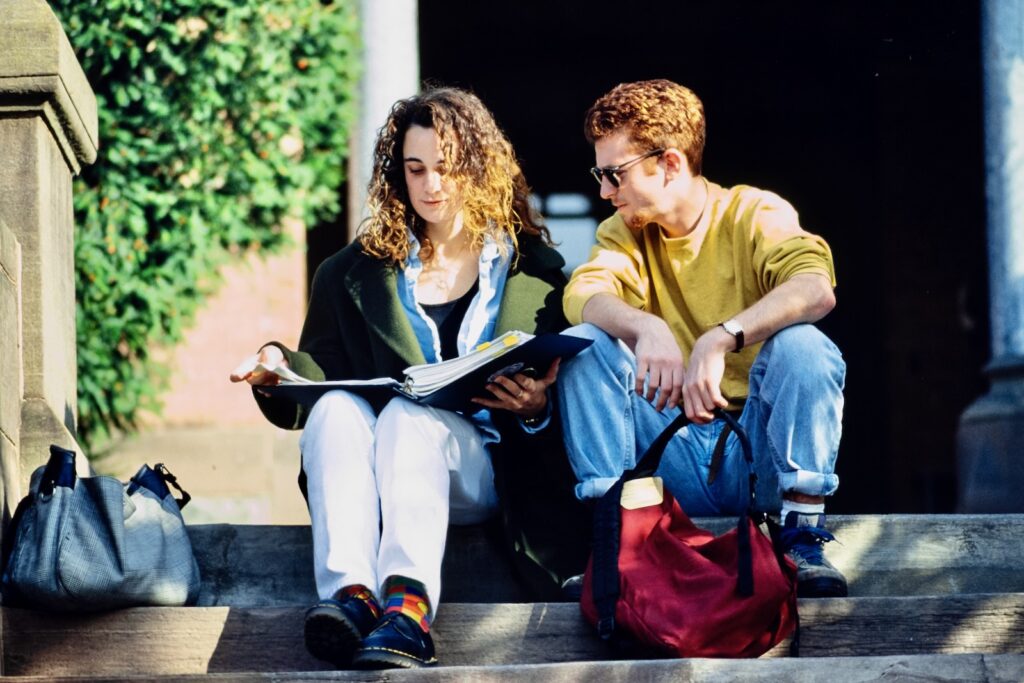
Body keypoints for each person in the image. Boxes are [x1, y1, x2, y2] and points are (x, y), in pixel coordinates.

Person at [230, 87, 587, 670]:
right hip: (380, 462)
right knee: (337, 410)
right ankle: (351, 597)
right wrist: (277, 365)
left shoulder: (537, 274)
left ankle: (411, 611)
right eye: (416, 169)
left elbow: (567, 401)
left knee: (407, 416)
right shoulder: (349, 273)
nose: (432, 186)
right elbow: (323, 372)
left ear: (479, 168)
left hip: (489, 472)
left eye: (447, 169)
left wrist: (534, 409)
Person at [557, 79, 848, 598]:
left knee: (804, 345)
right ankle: (615, 542)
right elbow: (583, 295)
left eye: (613, 174)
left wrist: (722, 338)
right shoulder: (623, 232)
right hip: (671, 453)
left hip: (757, 451)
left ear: (670, 164)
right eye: (600, 175)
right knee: (585, 342)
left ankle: (800, 533)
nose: (604, 190)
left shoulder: (754, 212)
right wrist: (647, 326)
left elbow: (815, 288)